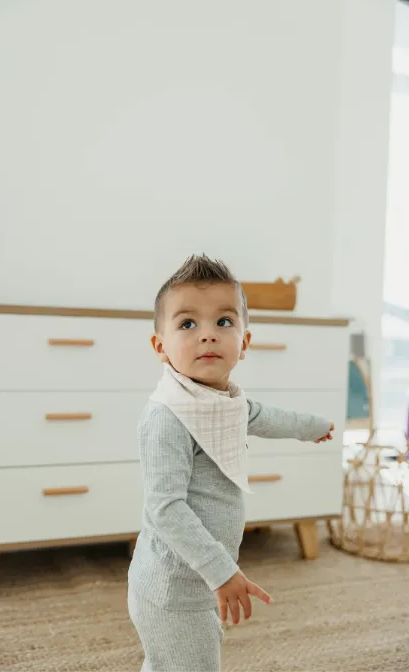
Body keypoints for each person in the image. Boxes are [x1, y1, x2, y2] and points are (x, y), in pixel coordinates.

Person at [128, 255, 334, 672]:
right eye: (187, 324)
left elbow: (270, 417)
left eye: (223, 322)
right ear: (160, 347)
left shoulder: (224, 403)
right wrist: (221, 571)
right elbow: (165, 509)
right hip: (175, 591)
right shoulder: (168, 416)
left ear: (244, 342)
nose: (207, 335)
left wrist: (314, 426)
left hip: (196, 584)